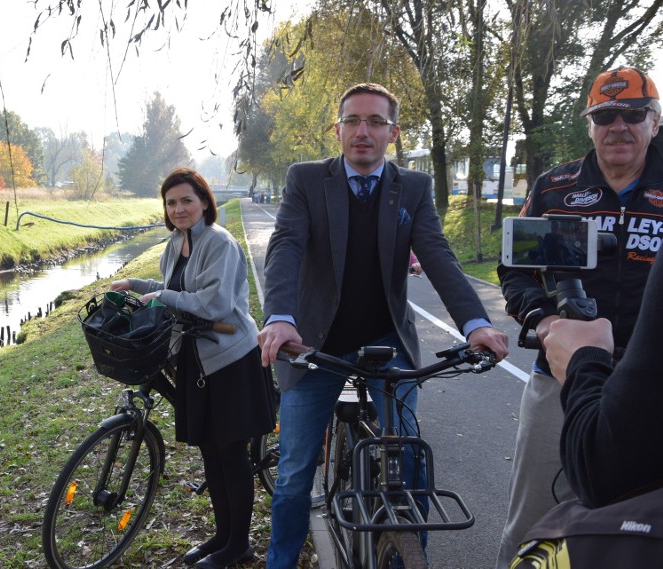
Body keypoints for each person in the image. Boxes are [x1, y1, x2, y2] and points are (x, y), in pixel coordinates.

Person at [257, 82, 509, 569]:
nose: (362, 132)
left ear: (393, 133)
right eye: (352, 121)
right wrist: (280, 318)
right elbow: (286, 245)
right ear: (337, 129)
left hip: (386, 338)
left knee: (409, 464)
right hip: (313, 343)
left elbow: (436, 254)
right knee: (292, 474)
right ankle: (281, 562)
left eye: (375, 122)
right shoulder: (306, 179)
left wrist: (475, 323)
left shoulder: (411, 188)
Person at [494, 66, 661, 567]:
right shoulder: (554, 187)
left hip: (652, 383)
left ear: (655, 121)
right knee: (531, 516)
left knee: (644, 520)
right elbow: (514, 271)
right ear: (590, 124)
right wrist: (545, 323)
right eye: (605, 115)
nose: (619, 126)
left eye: (633, 114)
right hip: (560, 377)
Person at [111, 167, 276, 569]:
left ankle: (239, 545)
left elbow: (213, 305)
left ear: (204, 201)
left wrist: (161, 298)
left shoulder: (220, 243)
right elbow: (175, 288)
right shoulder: (176, 242)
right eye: (171, 203)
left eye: (186, 200)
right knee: (209, 451)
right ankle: (222, 536)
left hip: (229, 358)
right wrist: (134, 284)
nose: (179, 208)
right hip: (194, 357)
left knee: (230, 451)